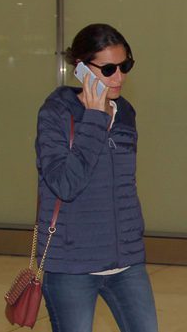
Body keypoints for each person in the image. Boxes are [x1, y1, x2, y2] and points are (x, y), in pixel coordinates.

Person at [35, 23, 158, 332]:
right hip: (72, 266)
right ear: (81, 69)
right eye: (108, 69)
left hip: (126, 262)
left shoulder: (126, 113)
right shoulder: (56, 114)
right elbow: (66, 184)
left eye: (125, 65)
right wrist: (94, 117)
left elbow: (124, 185)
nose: (119, 77)